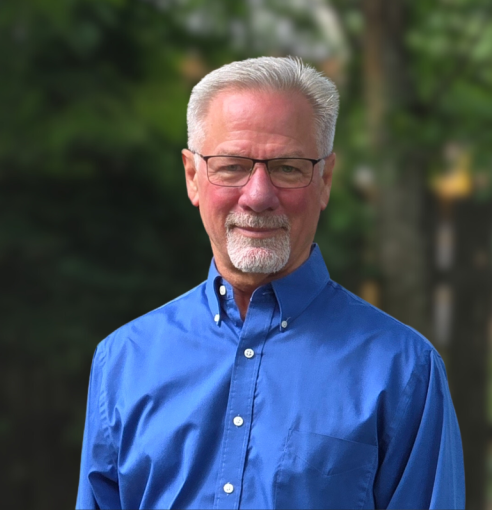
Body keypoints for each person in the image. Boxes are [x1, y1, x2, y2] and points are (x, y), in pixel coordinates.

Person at [75, 57, 465, 509]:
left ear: (324, 181)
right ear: (192, 176)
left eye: (287, 168)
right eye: (232, 165)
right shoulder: (124, 361)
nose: (258, 195)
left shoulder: (403, 370)